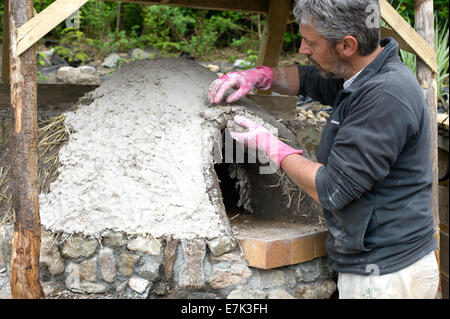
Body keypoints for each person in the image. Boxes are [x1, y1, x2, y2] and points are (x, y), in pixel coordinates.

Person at [208, 0, 439, 299]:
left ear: (347, 45)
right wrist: (261, 76)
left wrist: (271, 146)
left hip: (387, 276)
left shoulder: (385, 96)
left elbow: (332, 188)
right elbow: (307, 79)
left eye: (311, 42)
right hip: (378, 269)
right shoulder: (361, 75)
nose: (303, 49)